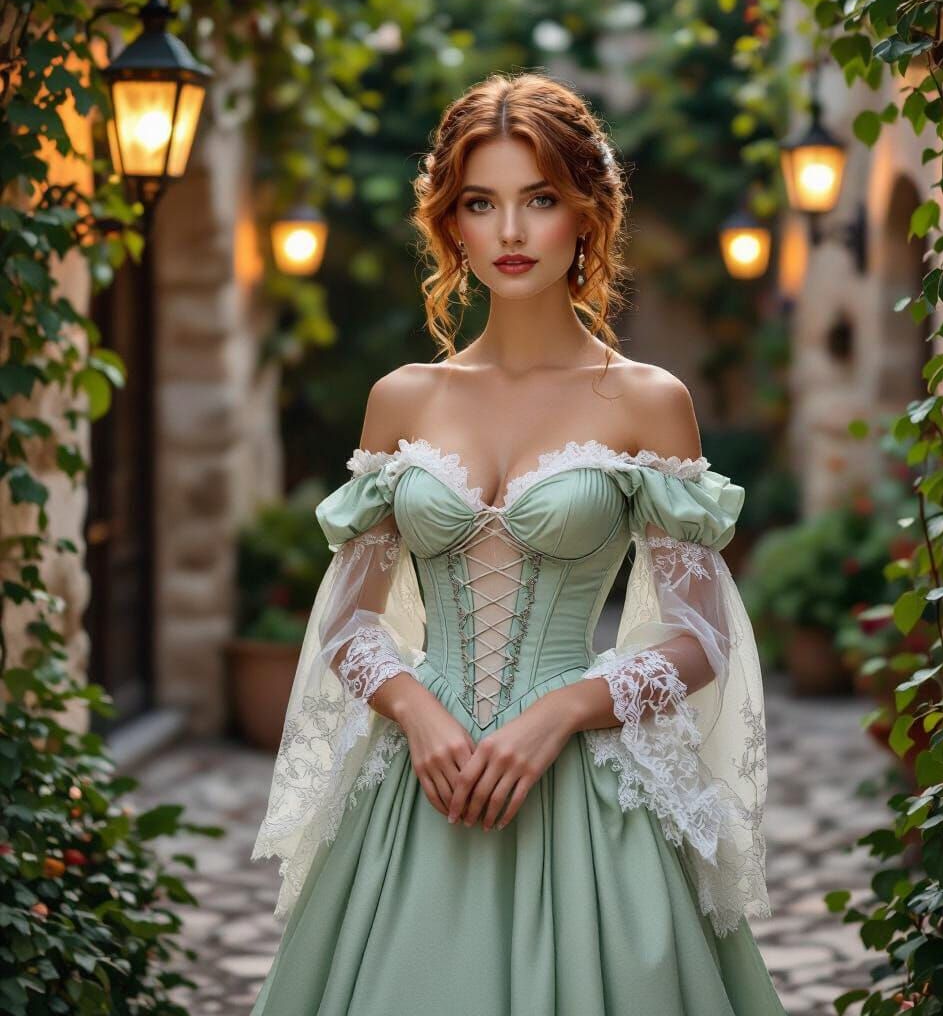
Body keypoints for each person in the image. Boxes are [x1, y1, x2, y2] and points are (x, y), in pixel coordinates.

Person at [251, 70, 787, 1016]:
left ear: (586, 216)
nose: (509, 232)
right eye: (480, 203)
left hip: (582, 787)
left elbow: (702, 635)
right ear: (449, 223)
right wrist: (415, 709)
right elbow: (346, 618)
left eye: (539, 200)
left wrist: (563, 712)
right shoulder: (402, 397)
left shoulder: (650, 400)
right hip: (421, 785)